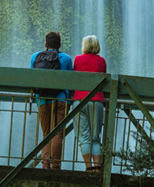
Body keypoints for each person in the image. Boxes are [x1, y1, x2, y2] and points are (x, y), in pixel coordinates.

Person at [31, 31, 72, 170]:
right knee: (57, 133)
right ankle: (55, 166)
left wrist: (37, 100)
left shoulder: (35, 57)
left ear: (45, 44)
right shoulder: (66, 59)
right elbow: (72, 82)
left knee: (46, 134)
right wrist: (70, 102)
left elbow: (32, 80)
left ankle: (45, 165)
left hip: (43, 100)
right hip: (61, 100)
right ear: (60, 45)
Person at [72, 35, 107, 171]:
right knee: (95, 138)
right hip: (96, 101)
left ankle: (89, 167)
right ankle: (98, 168)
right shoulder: (101, 61)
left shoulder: (77, 59)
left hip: (79, 101)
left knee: (84, 137)